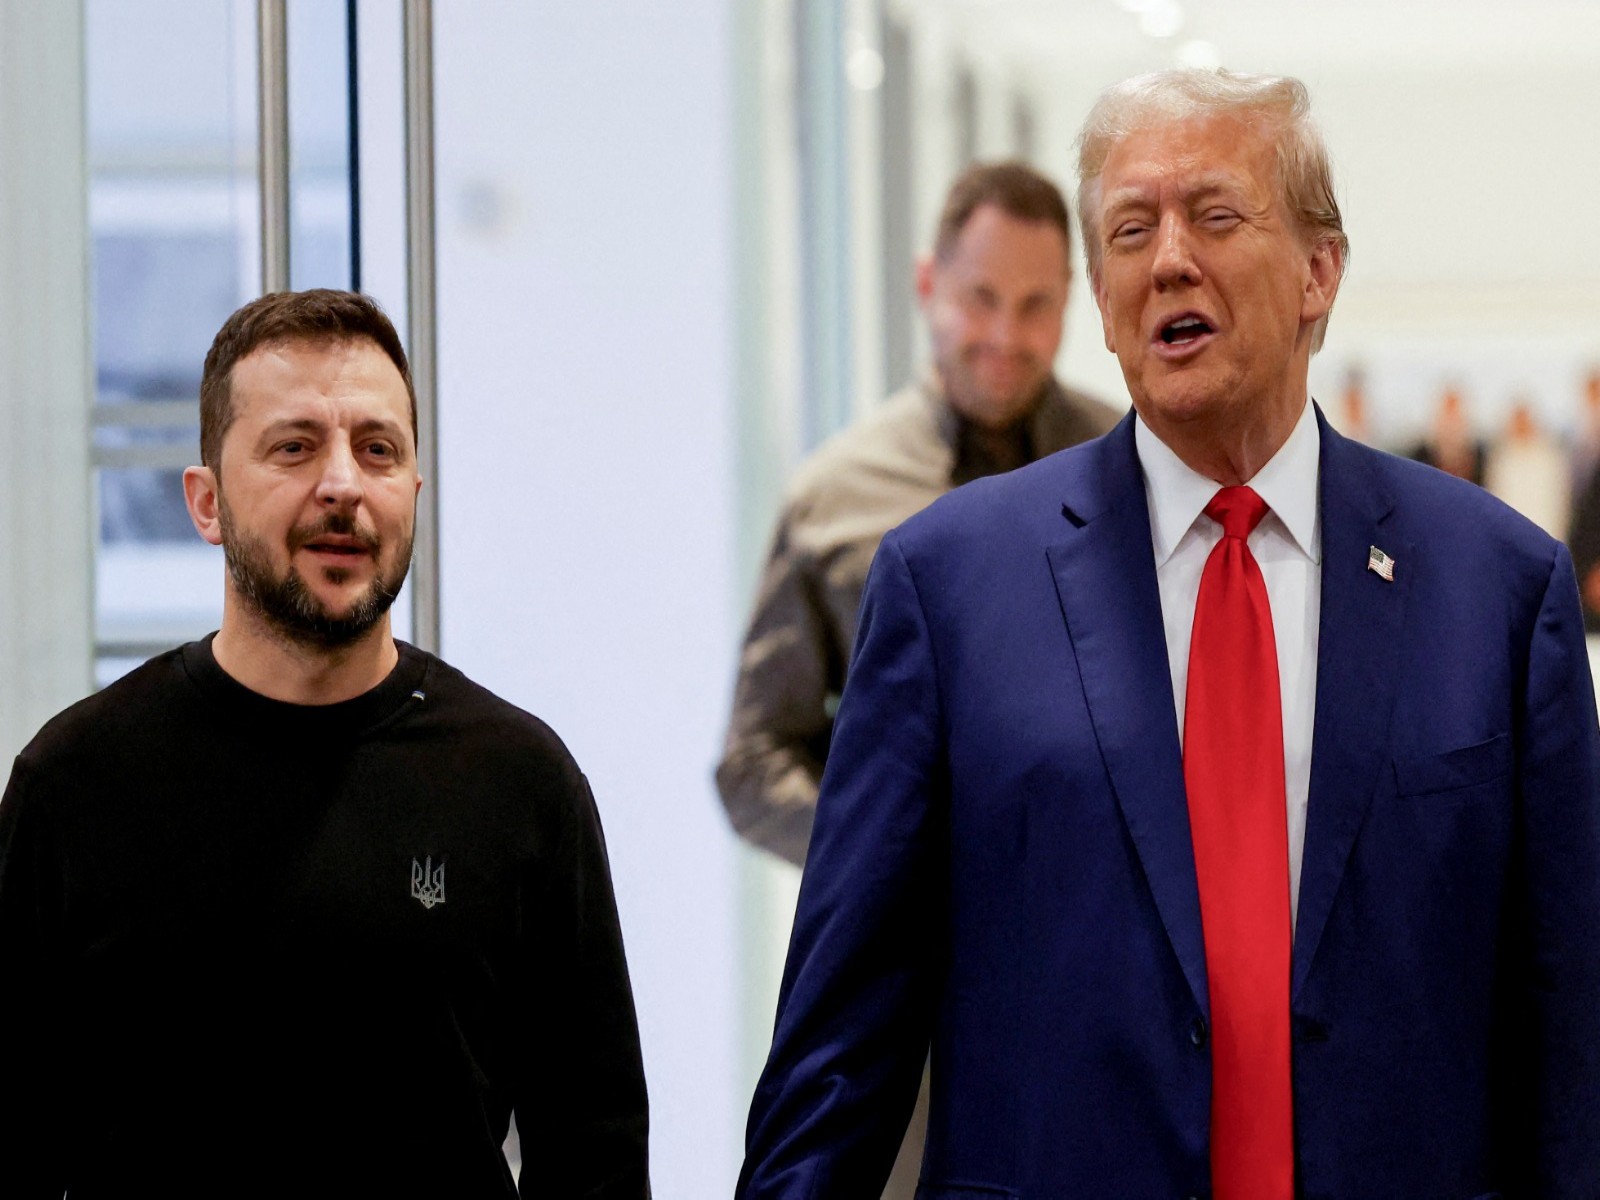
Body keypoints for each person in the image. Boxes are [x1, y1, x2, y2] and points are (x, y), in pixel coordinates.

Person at [737, 69, 1600, 1198]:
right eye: (1130, 230)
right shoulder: (947, 586)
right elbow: (838, 1051)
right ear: (1100, 297)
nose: (1169, 259)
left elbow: (1567, 1028)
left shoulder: (1497, 589)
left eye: (1215, 214)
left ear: (1317, 271)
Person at [0, 290, 650, 1198]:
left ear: (413, 491)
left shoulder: (520, 785)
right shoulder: (75, 785)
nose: (343, 484)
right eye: (295, 447)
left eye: (378, 450)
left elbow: (594, 1155)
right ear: (207, 500)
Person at [717, 161, 1120, 866]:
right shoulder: (832, 496)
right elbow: (754, 760)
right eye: (981, 297)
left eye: (1036, 305)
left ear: (1069, 305)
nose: (1005, 333)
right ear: (928, 283)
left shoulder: (1136, 470)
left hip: (1111, 940)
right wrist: (886, 865)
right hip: (914, 963)